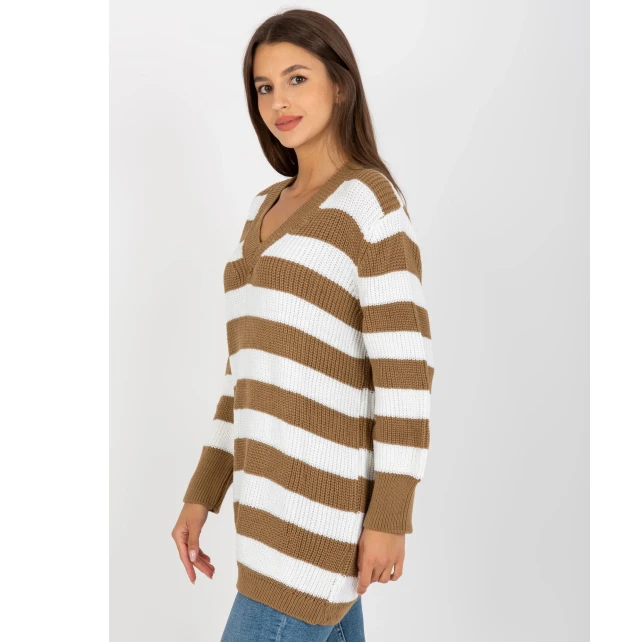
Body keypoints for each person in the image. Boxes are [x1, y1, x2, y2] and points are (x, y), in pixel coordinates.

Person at [171, 9, 435, 642]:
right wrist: (202, 490)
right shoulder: (262, 209)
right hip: (265, 516)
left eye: (296, 79)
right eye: (264, 87)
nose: (278, 102)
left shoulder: (369, 204)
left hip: (320, 521)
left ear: (339, 85)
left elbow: (405, 374)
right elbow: (244, 371)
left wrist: (390, 514)